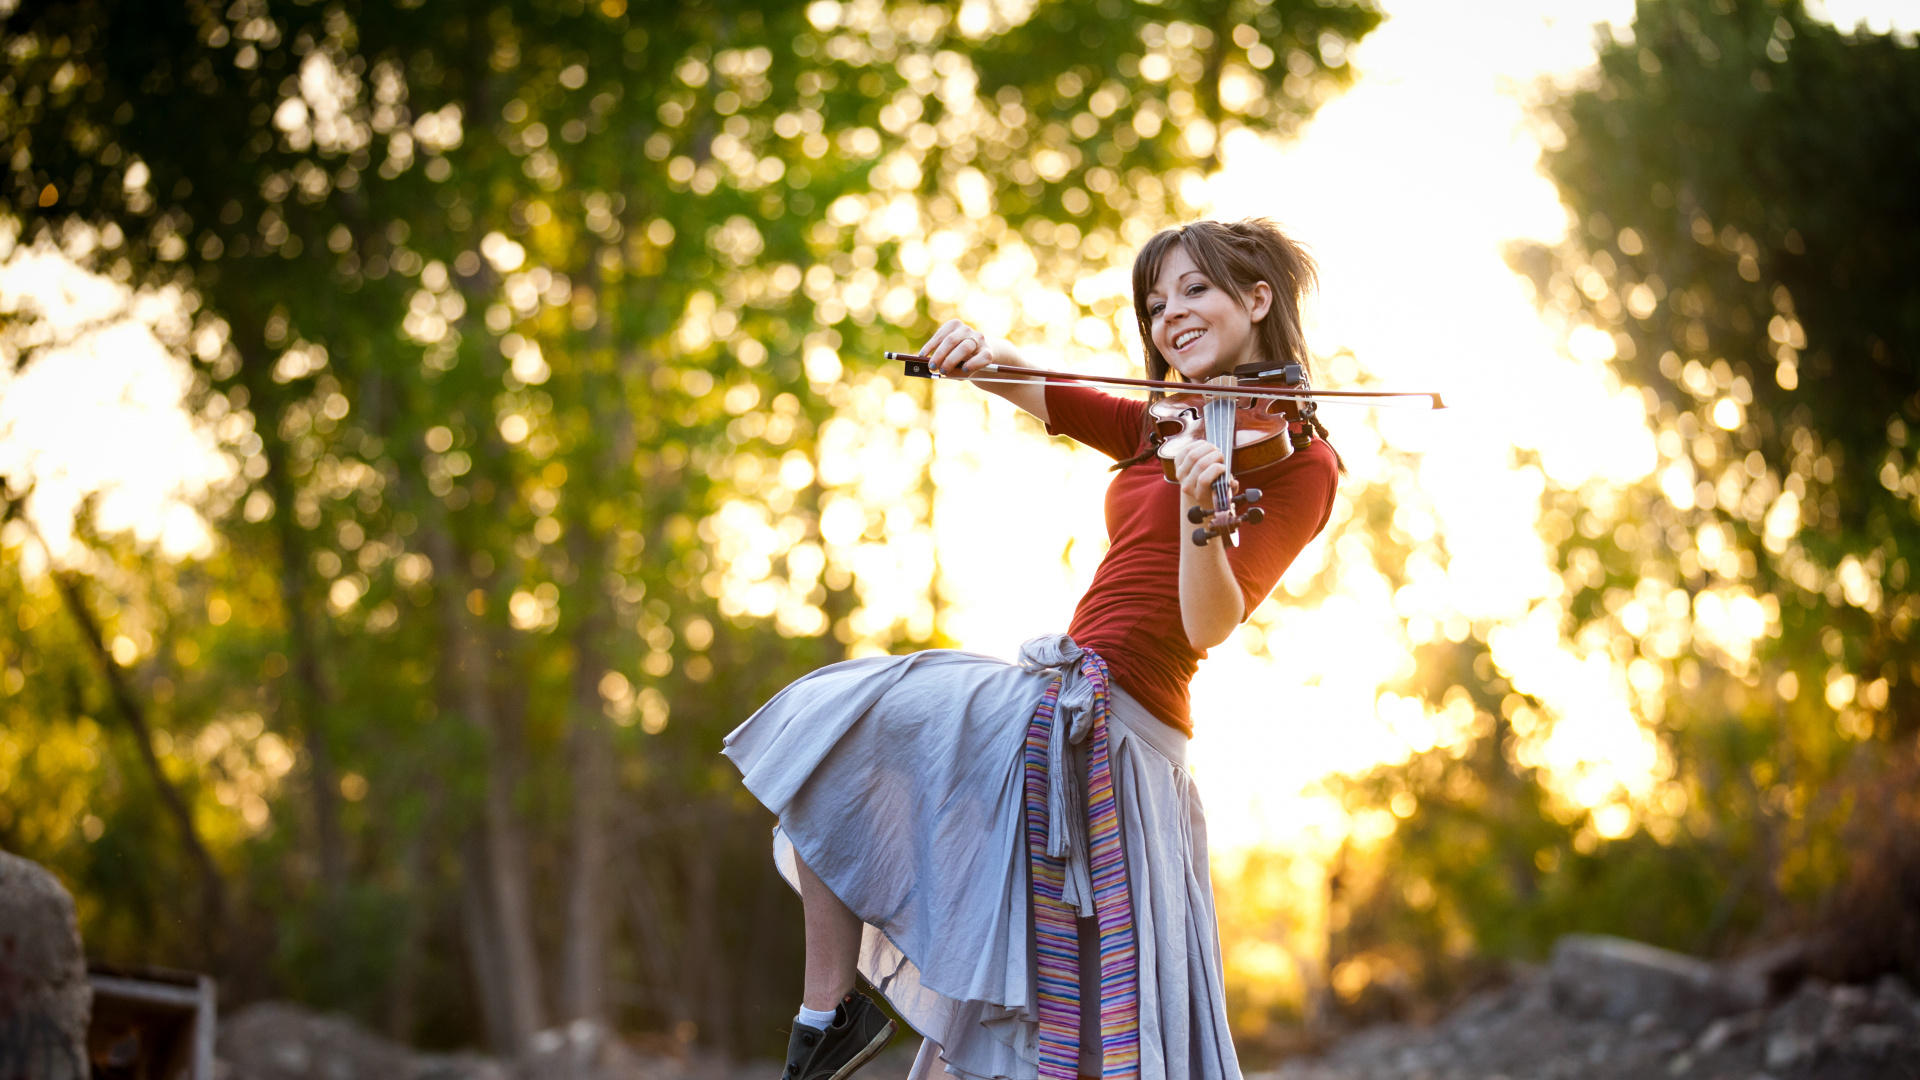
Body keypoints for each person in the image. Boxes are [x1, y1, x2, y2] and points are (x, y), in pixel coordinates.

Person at [723, 219, 1342, 1080]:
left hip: (1130, 730)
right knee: (835, 738)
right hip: (1058, 707)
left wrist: (1205, 512)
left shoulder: (1301, 463)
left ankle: (831, 1017)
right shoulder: (1159, 427)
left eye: (1195, 290)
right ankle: (829, 1012)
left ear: (1257, 299)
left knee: (1073, 1032)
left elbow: (1209, 623)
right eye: (1156, 304)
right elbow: (1036, 384)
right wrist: (979, 351)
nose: (1171, 317)